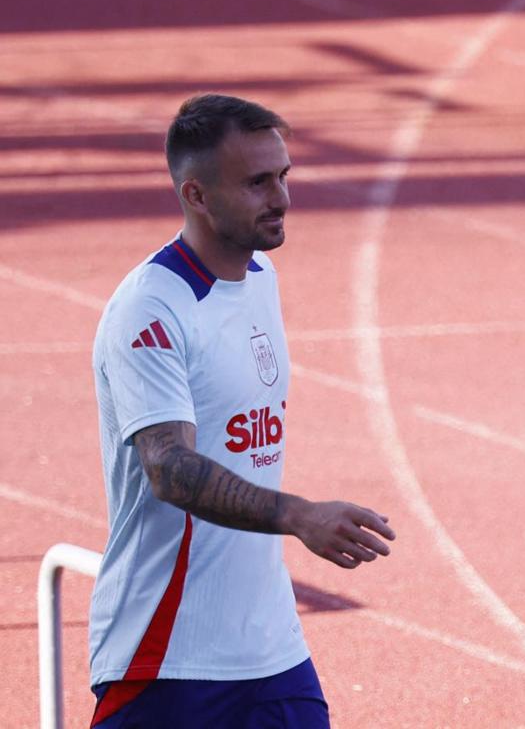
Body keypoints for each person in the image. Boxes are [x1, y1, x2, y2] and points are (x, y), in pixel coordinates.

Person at [88, 94, 395, 728]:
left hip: (270, 650)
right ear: (196, 195)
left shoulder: (260, 278)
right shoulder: (151, 308)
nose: (281, 197)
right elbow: (169, 468)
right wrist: (299, 515)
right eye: (257, 182)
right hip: (168, 655)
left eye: (284, 176)